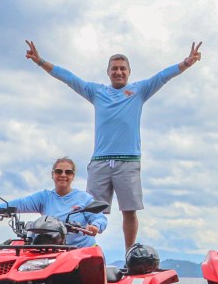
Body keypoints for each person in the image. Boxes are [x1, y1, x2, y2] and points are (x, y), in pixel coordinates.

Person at [24, 39, 202, 249]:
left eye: (122, 69)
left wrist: (187, 63)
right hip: (100, 161)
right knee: (90, 211)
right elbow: (69, 78)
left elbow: (163, 76)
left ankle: (129, 254)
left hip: (128, 162)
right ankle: (86, 252)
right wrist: (39, 61)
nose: (118, 72)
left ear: (129, 72)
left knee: (129, 210)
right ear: (108, 72)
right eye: (114, 69)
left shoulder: (140, 90)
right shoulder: (97, 92)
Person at [0, 157, 107, 248]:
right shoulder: (45, 197)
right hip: (52, 250)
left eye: (68, 172)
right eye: (59, 171)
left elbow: (100, 217)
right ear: (52, 174)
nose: (63, 175)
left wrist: (95, 226)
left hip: (81, 251)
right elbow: (21, 203)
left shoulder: (83, 198)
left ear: (73, 176)